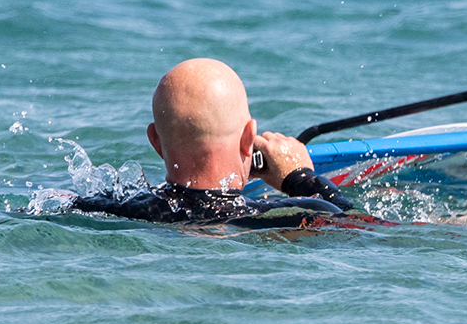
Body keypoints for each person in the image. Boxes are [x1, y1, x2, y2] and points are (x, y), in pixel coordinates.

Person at [71, 58, 366, 227]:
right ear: (249, 138)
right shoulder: (295, 213)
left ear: (155, 141)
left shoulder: (113, 207)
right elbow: (359, 224)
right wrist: (300, 178)